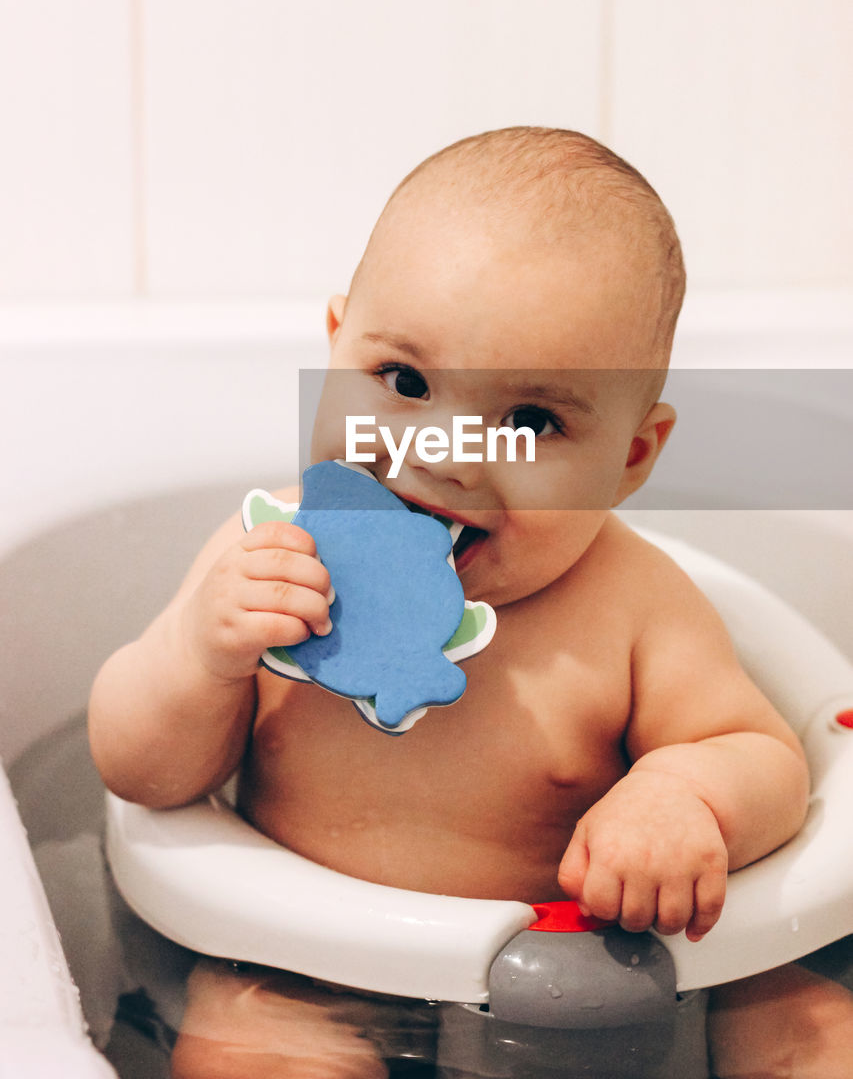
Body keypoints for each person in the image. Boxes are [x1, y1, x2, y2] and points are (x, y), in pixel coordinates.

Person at [89, 128, 852, 1077]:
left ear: (630, 458)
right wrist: (201, 657)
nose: (440, 455)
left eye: (531, 421)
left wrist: (683, 795)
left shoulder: (634, 607)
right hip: (305, 967)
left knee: (807, 1033)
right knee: (249, 1048)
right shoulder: (268, 561)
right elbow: (141, 772)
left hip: (600, 987)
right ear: (335, 349)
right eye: (402, 381)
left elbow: (764, 758)